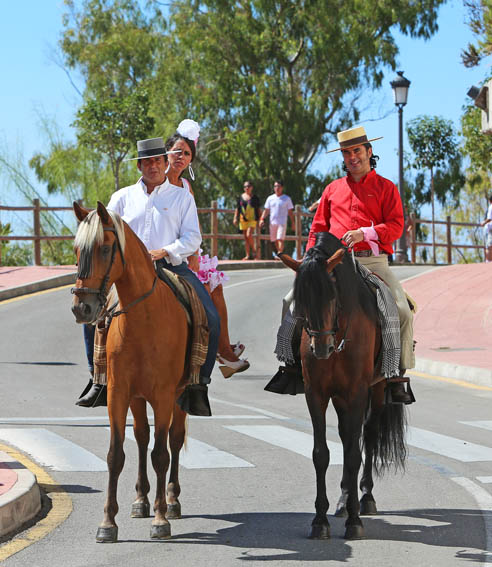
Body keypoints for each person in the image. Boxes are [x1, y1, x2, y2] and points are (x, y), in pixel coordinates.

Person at [77, 122, 219, 416]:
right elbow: (104, 231)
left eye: (158, 161)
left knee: (211, 317)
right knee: (94, 317)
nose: (153, 166)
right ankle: (98, 379)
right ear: (140, 165)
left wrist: (165, 251)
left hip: (171, 268)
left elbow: (193, 237)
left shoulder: (182, 197)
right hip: (127, 274)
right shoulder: (122, 198)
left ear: (166, 163)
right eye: (147, 162)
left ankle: (198, 384)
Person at [307, 125, 415, 404]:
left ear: (369, 152)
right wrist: (311, 259)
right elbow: (318, 228)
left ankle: (395, 375)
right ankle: (291, 365)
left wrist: (365, 233)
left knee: (402, 311)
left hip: (374, 262)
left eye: (357, 151)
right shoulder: (332, 190)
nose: (352, 157)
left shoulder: (387, 188)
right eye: (346, 152)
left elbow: (396, 226)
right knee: (293, 301)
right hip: (334, 263)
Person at [164, 134, 250, 378]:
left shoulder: (186, 187)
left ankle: (223, 349)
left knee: (215, 286)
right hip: (166, 252)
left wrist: (194, 250)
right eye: (177, 151)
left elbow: (193, 224)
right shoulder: (157, 183)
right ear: (166, 152)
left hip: (186, 250)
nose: (181, 157)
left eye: (187, 154)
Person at [259, 180, 294, 254]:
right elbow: (266, 210)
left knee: (280, 238)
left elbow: (290, 212)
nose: (277, 188)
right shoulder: (270, 198)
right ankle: (279, 254)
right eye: (275, 186)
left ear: (282, 188)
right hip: (273, 222)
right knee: (274, 240)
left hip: (282, 222)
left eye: (278, 186)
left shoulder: (287, 199)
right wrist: (262, 219)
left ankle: (280, 253)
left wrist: (293, 223)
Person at [233, 181, 261, 260]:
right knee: (246, 237)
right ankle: (248, 255)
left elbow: (258, 209)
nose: (247, 188)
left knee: (249, 235)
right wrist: (235, 218)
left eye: (248, 186)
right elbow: (237, 209)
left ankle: (255, 251)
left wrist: (261, 219)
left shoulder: (255, 198)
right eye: (245, 186)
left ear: (252, 187)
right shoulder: (240, 197)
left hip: (252, 219)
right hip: (243, 219)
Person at [481, 194, 492, 263]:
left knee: (489, 245)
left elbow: (489, 218)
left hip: (491, 228)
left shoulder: (491, 207)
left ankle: (488, 261)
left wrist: (484, 223)